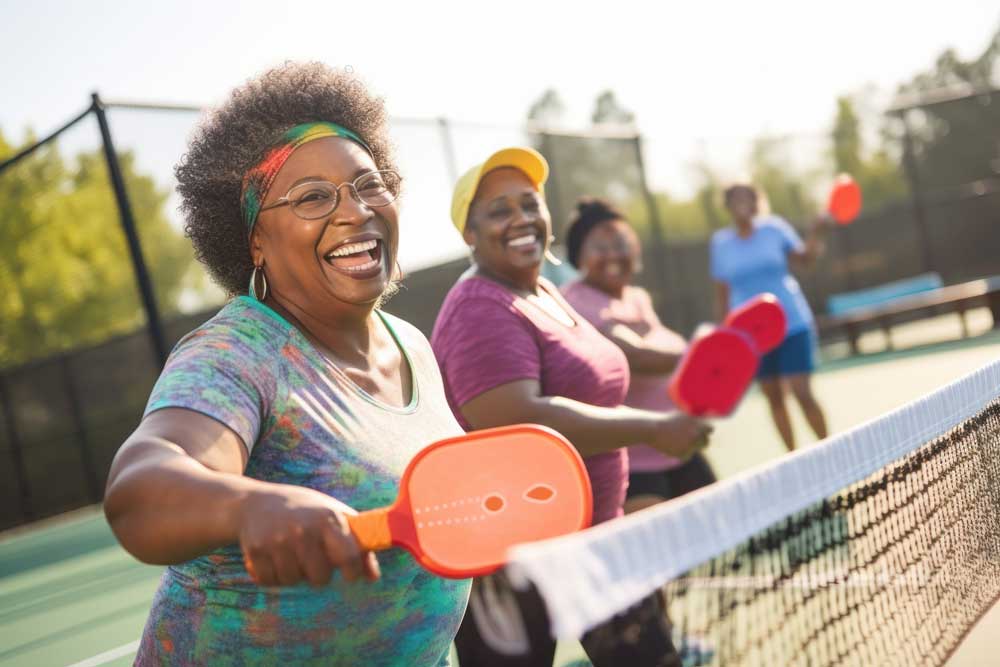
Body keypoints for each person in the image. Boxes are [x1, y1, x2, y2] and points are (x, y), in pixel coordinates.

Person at [102, 63, 469, 666]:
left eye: (368, 184)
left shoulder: (411, 345)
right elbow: (140, 487)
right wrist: (250, 506)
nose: (354, 211)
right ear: (254, 241)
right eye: (313, 197)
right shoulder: (236, 354)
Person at [431, 147, 713, 667]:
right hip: (513, 561)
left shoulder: (545, 292)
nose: (520, 218)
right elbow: (522, 419)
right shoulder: (479, 308)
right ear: (469, 234)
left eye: (529, 203)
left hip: (595, 543)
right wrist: (652, 428)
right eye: (498, 210)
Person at [561, 198, 717, 511]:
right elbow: (633, 355)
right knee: (656, 552)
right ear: (579, 257)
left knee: (728, 529)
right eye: (600, 247)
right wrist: (705, 355)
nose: (613, 254)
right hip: (629, 462)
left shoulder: (638, 298)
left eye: (620, 242)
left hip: (677, 447)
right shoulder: (575, 301)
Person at [710, 183, 831, 451]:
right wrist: (724, 334)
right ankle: (793, 460)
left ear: (756, 202)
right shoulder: (720, 243)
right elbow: (722, 293)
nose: (742, 203)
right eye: (736, 198)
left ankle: (830, 451)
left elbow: (806, 260)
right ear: (728, 206)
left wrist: (816, 233)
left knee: (802, 393)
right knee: (774, 397)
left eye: (747, 197)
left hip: (792, 323)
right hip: (750, 334)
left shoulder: (774, 228)